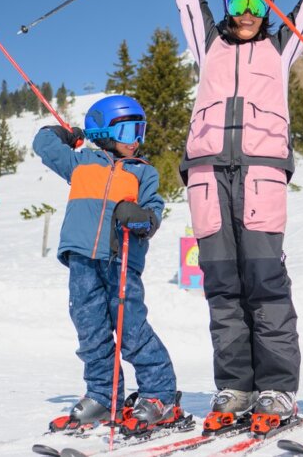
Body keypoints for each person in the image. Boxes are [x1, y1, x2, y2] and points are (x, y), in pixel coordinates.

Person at [160, 0, 303, 434]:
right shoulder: (207, 47)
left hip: (261, 178)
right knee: (222, 287)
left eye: (257, 8)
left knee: (265, 284)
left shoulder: (280, 50)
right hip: (208, 180)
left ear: (268, 12)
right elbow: (188, 0)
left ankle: (277, 388)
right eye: (237, 6)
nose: (246, 17)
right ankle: (235, 386)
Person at [32, 94, 184, 435]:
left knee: (131, 329)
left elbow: (154, 213)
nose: (137, 142)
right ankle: (104, 396)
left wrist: (141, 218)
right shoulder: (80, 162)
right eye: (129, 132)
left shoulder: (143, 172)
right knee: (91, 332)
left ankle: (159, 395)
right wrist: (68, 134)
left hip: (121, 260)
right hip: (82, 260)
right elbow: (43, 143)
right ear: (102, 131)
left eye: (140, 132)